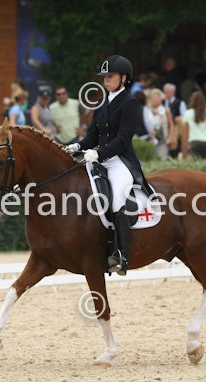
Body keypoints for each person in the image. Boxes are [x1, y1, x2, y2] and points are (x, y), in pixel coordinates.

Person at [65, 55, 152, 276]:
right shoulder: (101, 102)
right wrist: (77, 146)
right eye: (104, 77)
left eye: (110, 76)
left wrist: (99, 153)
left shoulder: (129, 103)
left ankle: (122, 255)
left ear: (123, 78)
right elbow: (92, 136)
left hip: (120, 162)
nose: (106, 80)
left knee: (116, 200)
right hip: (99, 159)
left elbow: (123, 139)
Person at [182, 91, 206, 159]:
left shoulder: (188, 113)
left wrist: (184, 148)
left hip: (194, 141)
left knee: (195, 163)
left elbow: (185, 133)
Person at [144, 88, 173, 159]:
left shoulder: (165, 110)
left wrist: (170, 137)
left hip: (162, 139)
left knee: (162, 158)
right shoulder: (146, 109)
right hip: (149, 139)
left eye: (157, 97)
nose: (155, 100)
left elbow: (171, 125)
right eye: (153, 98)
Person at [163, 83, 187, 158]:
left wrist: (179, 118)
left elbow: (185, 116)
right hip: (165, 127)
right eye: (166, 92)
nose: (167, 94)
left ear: (173, 92)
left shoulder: (180, 103)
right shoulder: (162, 102)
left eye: (169, 92)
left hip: (176, 129)